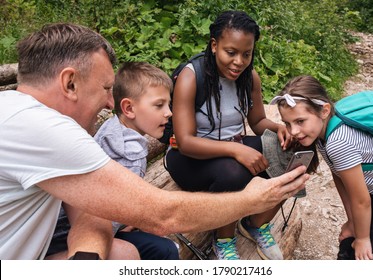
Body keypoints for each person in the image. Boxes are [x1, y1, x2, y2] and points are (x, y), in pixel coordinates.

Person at [0, 22, 309, 260]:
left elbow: (89, 208)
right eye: (106, 88)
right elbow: (164, 215)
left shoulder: (27, 116)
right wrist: (251, 200)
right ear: (70, 83)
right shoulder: (38, 127)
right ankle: (230, 237)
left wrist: (87, 259)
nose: (110, 102)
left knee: (126, 254)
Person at [165, 11, 292, 260]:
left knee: (293, 153)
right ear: (214, 45)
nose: (239, 62)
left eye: (247, 54)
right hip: (188, 157)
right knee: (234, 171)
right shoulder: (192, 76)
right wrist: (237, 150)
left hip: (231, 149)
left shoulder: (249, 77)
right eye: (231, 52)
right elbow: (186, 141)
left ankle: (255, 223)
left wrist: (280, 129)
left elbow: (256, 122)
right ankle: (223, 239)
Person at [270, 75, 373, 260]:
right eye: (287, 123)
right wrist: (351, 221)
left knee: (369, 254)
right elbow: (339, 176)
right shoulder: (323, 132)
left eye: (300, 121)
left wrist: (363, 238)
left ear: (324, 110)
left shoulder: (338, 141)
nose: (293, 131)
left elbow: (361, 201)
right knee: (351, 246)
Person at [94, 61, 179, 260]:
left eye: (168, 104)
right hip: (93, 233)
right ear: (129, 108)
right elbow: (118, 213)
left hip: (78, 224)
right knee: (167, 250)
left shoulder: (111, 127)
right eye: (159, 105)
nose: (169, 112)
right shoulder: (131, 155)